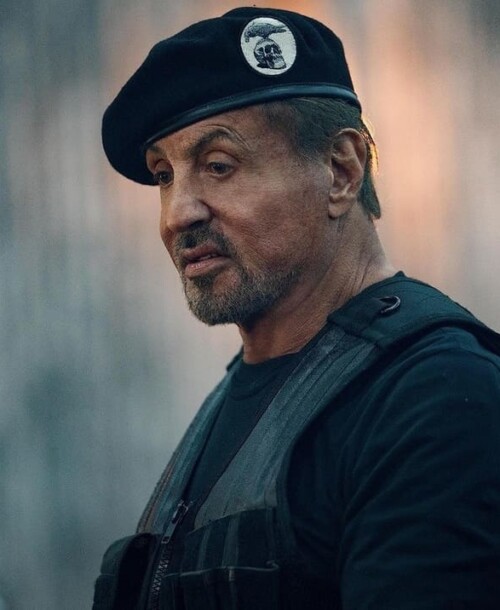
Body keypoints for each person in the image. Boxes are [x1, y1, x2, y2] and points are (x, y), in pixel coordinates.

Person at [93, 7, 500, 610]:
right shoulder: (242, 392)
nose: (178, 213)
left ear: (340, 171)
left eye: (218, 166)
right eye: (163, 175)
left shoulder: (436, 397)